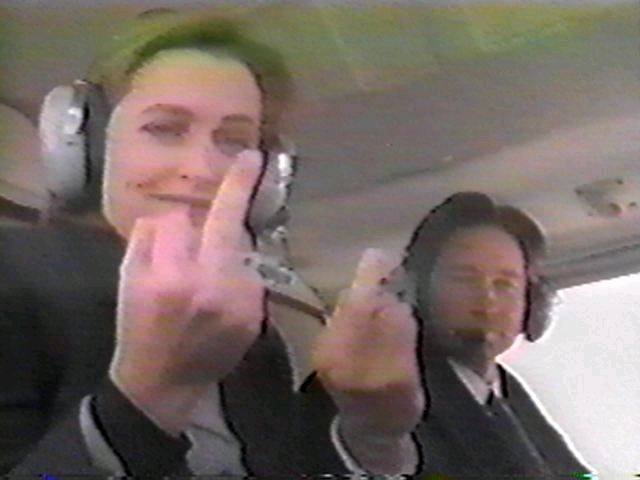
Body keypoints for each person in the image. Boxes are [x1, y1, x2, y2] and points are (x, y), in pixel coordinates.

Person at [12, 11, 416, 476]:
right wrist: (146, 397)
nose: (202, 169)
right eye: (164, 129)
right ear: (87, 144)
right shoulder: (12, 277)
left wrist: (372, 436)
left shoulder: (249, 334)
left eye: (234, 141)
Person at [316, 191, 590, 475]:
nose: (488, 301)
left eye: (504, 284)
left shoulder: (508, 392)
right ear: (417, 288)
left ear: (531, 299)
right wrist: (374, 439)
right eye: (464, 279)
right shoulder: (375, 384)